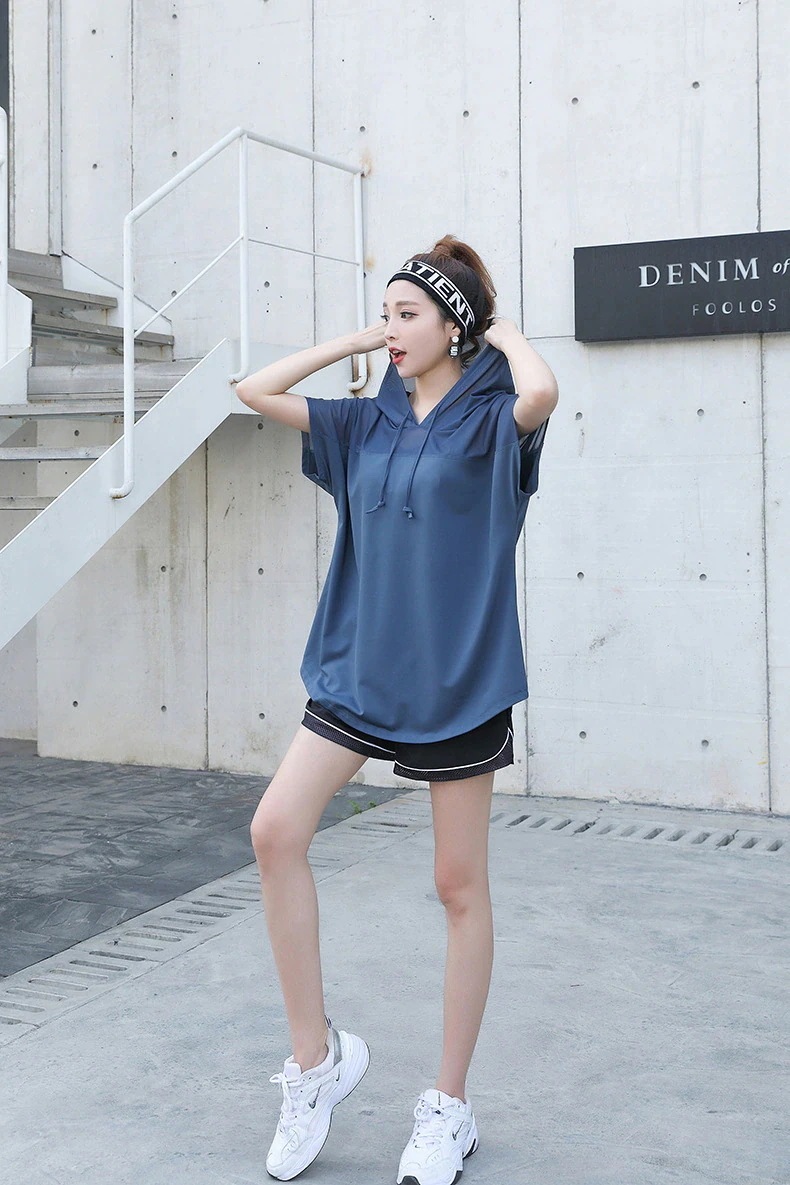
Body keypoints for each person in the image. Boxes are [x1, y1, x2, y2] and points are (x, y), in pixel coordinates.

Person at [234, 235, 558, 1185]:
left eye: (408, 314)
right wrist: (355, 341)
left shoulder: (493, 420)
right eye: (386, 314)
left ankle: (448, 1106)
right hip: (357, 669)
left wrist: (499, 326)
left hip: (458, 678)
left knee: (458, 886)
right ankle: (316, 1061)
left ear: (455, 326)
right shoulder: (360, 423)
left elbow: (542, 392)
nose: (392, 329)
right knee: (274, 831)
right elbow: (254, 389)